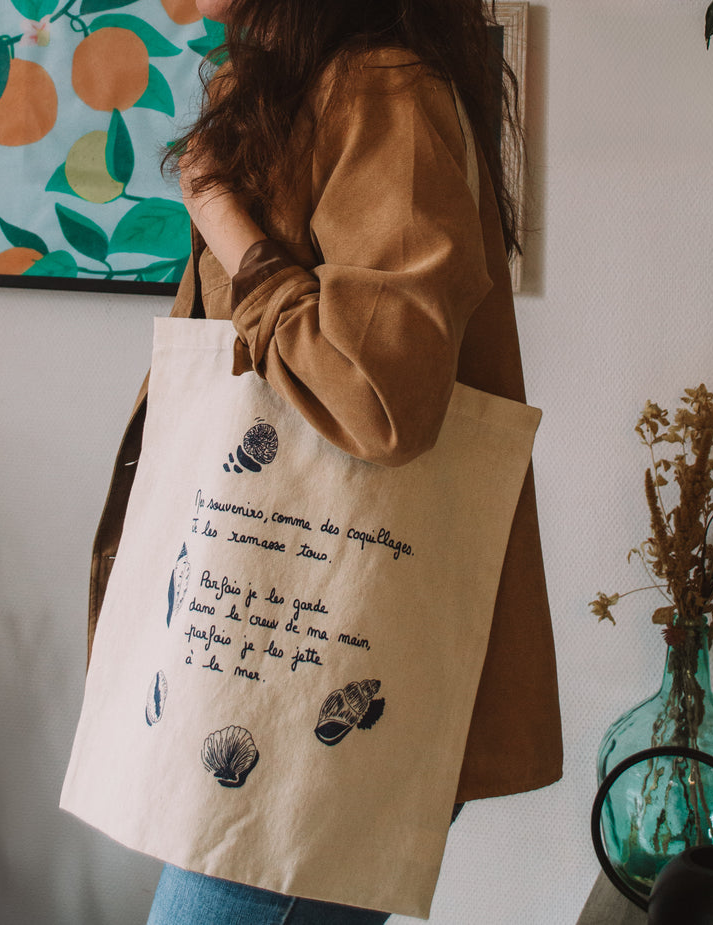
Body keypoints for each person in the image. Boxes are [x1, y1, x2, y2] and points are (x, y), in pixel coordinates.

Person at [86, 0, 563, 921]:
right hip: (266, 652)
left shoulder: (383, 90)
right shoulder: (280, 84)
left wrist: (225, 219)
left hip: (320, 673)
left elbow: (381, 397)